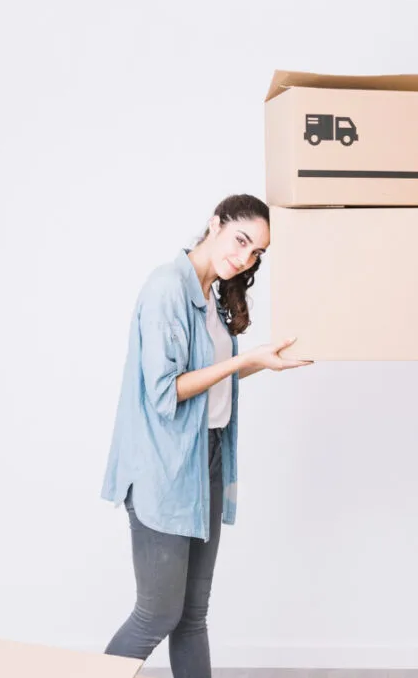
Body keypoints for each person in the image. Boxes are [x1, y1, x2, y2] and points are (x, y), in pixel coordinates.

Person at [100, 193, 310, 675]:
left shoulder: (212, 294)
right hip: (163, 467)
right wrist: (245, 359)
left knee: (192, 617)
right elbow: (166, 392)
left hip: (208, 458)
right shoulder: (166, 288)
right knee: (157, 613)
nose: (245, 257)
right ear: (215, 224)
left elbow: (211, 380)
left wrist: (262, 365)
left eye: (257, 252)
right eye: (241, 240)